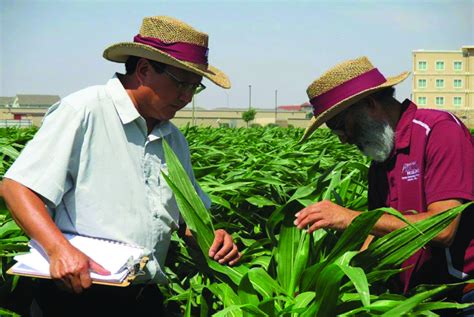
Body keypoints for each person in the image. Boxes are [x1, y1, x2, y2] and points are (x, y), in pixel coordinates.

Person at [2, 16, 240, 316]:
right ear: (143, 70)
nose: (186, 97)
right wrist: (58, 249)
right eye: (181, 83)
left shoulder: (173, 138)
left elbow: (184, 219)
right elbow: (17, 187)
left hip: (144, 297)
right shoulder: (84, 111)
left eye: (195, 87)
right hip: (75, 297)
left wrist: (211, 237)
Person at [294, 57, 473, 306]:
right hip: (413, 302)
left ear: (369, 104)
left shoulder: (439, 131)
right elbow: (378, 230)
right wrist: (332, 281)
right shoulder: (381, 162)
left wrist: (352, 218)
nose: (343, 140)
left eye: (340, 125)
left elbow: (443, 229)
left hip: (461, 298)